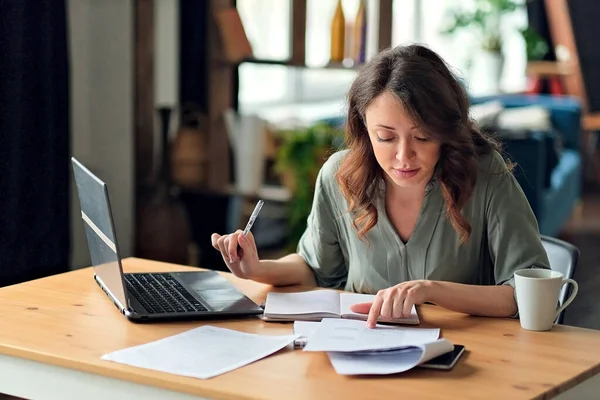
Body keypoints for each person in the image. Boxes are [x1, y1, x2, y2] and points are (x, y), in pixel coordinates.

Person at [211, 44, 550, 328]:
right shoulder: (338, 176)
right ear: (364, 128)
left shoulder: (484, 172)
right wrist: (256, 268)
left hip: (464, 354)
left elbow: (527, 292)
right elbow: (315, 268)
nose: (404, 156)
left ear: (446, 131)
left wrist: (429, 290)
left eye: (423, 136)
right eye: (385, 137)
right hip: (358, 350)